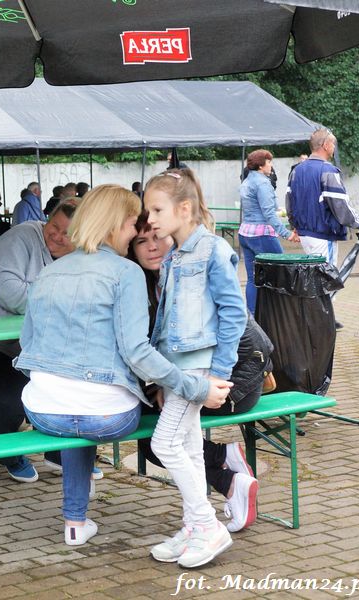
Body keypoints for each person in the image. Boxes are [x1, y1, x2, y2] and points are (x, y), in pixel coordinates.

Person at [15, 184, 230, 548]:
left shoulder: (48, 272)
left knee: (76, 414)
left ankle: (75, 522)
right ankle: (202, 521)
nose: (135, 234)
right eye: (132, 224)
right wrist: (197, 388)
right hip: (109, 418)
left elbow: (26, 344)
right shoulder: (126, 272)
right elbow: (137, 352)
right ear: (114, 224)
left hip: (43, 413)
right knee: (97, 410)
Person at [129, 211, 262, 534]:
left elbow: (244, 337)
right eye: (141, 241)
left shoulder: (192, 274)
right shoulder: (148, 285)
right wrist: (161, 384)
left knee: (157, 440)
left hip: (232, 384)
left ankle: (220, 495)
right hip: (198, 380)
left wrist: (210, 380)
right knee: (150, 433)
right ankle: (220, 469)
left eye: (157, 237)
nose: (151, 247)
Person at [143, 168, 247, 568]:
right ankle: (193, 527)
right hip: (178, 369)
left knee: (163, 444)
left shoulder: (213, 250)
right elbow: (167, 321)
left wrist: (219, 373)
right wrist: (160, 376)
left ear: (184, 209)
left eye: (157, 210)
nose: (150, 219)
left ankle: (207, 525)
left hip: (199, 369)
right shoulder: (174, 255)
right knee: (187, 446)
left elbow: (234, 313)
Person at [0, 201, 77, 483]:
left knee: (73, 390)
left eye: (66, 233)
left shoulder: (83, 255)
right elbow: (9, 292)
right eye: (53, 226)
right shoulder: (21, 237)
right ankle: (10, 453)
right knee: (6, 403)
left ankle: (60, 452)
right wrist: (60, 299)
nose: (56, 236)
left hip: (43, 347)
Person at [287, 128, 359, 268]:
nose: (334, 148)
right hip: (322, 234)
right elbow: (340, 205)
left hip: (304, 235)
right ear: (325, 145)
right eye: (333, 144)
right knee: (327, 278)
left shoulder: (296, 170)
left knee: (315, 276)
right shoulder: (328, 170)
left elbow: (290, 202)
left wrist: (294, 226)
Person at [238, 149, 299, 313]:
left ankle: (252, 317)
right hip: (261, 235)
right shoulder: (263, 183)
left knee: (253, 279)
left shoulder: (246, 181)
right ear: (260, 165)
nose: (271, 165)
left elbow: (262, 209)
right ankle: (283, 314)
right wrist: (287, 234)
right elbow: (268, 213)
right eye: (269, 161)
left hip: (245, 233)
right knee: (282, 271)